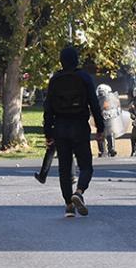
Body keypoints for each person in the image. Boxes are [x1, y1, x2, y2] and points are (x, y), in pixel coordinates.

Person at [43, 47, 104, 218]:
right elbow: (94, 103)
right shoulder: (84, 78)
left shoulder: (55, 80)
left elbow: (48, 109)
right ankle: (79, 191)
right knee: (86, 166)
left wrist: (48, 133)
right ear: (77, 60)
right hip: (79, 126)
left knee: (64, 167)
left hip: (60, 127)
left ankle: (68, 205)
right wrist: (100, 127)